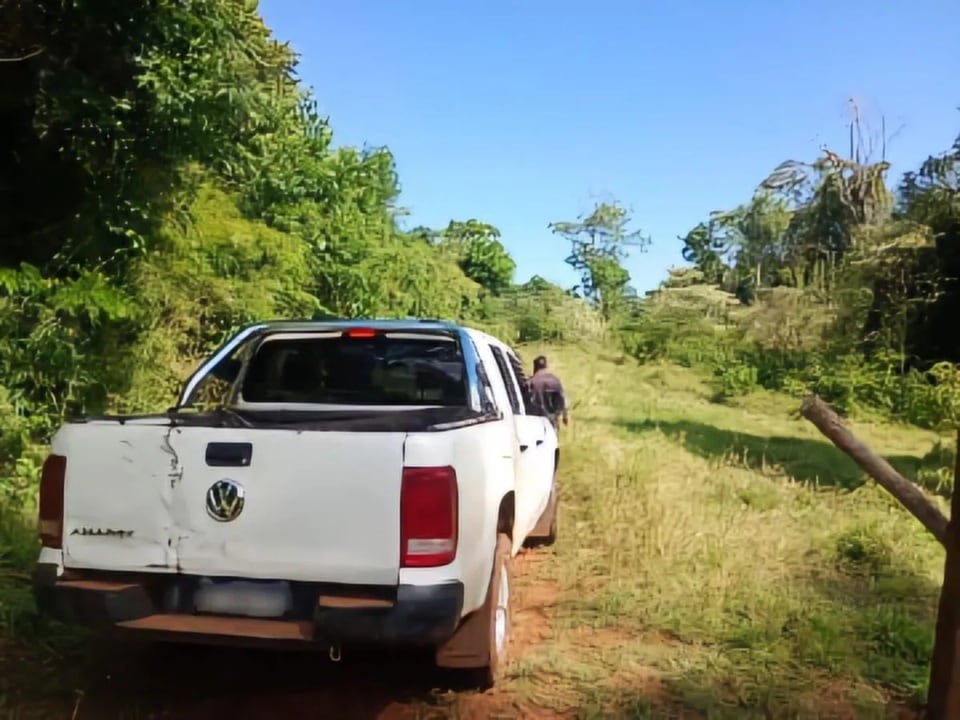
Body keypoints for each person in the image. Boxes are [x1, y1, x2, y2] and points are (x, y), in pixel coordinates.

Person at [528, 355, 568, 429]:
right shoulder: (554, 379)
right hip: (553, 416)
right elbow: (563, 398)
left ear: (535, 367)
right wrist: (565, 416)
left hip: (538, 418)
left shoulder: (533, 381)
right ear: (545, 366)